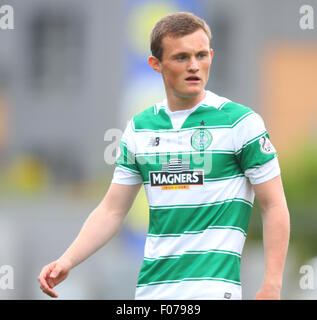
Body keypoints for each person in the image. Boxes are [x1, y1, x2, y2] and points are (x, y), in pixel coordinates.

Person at [38, 12, 290, 300]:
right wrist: (67, 261)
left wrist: (272, 284)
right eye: (181, 57)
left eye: (201, 55)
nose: (194, 66)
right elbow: (112, 210)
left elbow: (273, 205)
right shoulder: (139, 128)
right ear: (155, 64)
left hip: (213, 290)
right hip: (151, 291)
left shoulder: (241, 123)